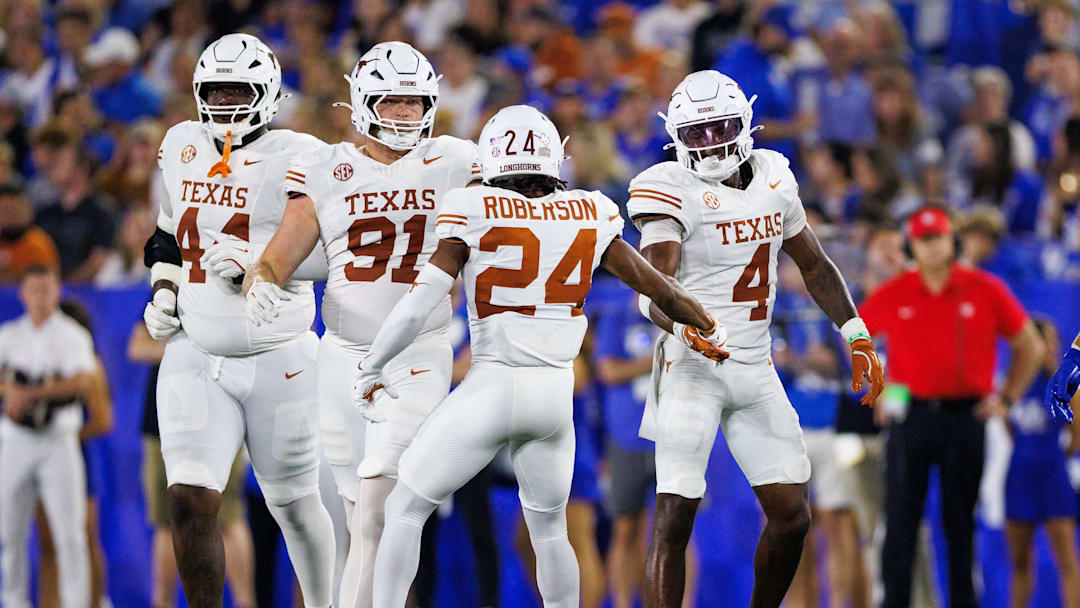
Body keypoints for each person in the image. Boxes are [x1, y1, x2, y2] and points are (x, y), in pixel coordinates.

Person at [351, 104, 726, 608]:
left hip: (493, 384)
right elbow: (660, 286)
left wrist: (373, 363)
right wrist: (702, 325)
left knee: (404, 507)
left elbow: (421, 301)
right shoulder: (589, 211)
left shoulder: (473, 207)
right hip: (554, 397)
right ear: (555, 157)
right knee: (550, 530)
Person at [627, 70, 885, 608]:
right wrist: (683, 327)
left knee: (793, 516)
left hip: (755, 364)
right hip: (690, 365)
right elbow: (654, 288)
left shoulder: (773, 176)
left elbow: (814, 264)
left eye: (718, 127)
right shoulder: (669, 188)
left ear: (744, 122)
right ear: (675, 136)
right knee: (676, 512)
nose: (708, 143)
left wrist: (855, 333)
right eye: (695, 133)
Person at [242, 41, 481, 608]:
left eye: (412, 101)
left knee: (382, 504)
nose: (403, 114)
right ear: (364, 101)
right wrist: (263, 284)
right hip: (343, 355)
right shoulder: (328, 168)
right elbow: (277, 256)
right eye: (392, 102)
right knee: (355, 514)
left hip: (418, 352)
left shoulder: (455, 160)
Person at [140, 33, 334, 608]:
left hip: (280, 354)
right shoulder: (182, 144)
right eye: (215, 89)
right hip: (196, 351)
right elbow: (166, 234)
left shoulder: (300, 153)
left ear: (268, 91)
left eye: (237, 89)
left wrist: (261, 265)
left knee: (296, 508)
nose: (224, 101)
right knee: (189, 500)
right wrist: (163, 292)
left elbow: (330, 253)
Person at [860, 205, 1044, 608]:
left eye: (936, 238)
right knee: (900, 525)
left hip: (967, 416)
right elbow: (858, 339)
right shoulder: (895, 291)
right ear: (912, 245)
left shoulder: (984, 287)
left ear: (952, 241)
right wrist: (886, 391)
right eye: (922, 240)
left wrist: (1007, 398)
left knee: (960, 527)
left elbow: (1031, 345)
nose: (930, 247)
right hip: (912, 418)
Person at [127, 321, 257, 608]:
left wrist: (185, 353)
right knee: (167, 519)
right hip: (164, 420)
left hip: (221, 417)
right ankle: (163, 603)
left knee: (229, 516)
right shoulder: (171, 281)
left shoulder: (232, 282)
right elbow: (139, 347)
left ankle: (246, 603)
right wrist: (194, 353)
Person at [0, 265, 94, 608]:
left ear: (58, 292)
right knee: (9, 532)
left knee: (70, 535)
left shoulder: (73, 336)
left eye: (47, 289)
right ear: (22, 294)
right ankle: (13, 601)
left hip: (58, 441)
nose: (40, 297)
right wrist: (11, 392)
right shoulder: (8, 336)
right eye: (33, 290)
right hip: (15, 441)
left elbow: (83, 381)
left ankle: (76, 603)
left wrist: (33, 394)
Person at [34, 300, 114, 608]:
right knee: (49, 545)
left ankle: (94, 602)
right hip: (39, 462)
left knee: (84, 541)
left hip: (75, 463)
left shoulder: (90, 366)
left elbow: (103, 420)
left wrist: (62, 434)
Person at [1005, 317, 1080, 608]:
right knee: (1020, 562)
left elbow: (1077, 435)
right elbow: (1008, 425)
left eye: (1053, 341)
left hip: (1053, 477)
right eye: (1044, 341)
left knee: (1067, 560)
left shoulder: (1065, 384)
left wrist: (1054, 458)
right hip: (1019, 478)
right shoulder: (1014, 380)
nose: (1051, 348)